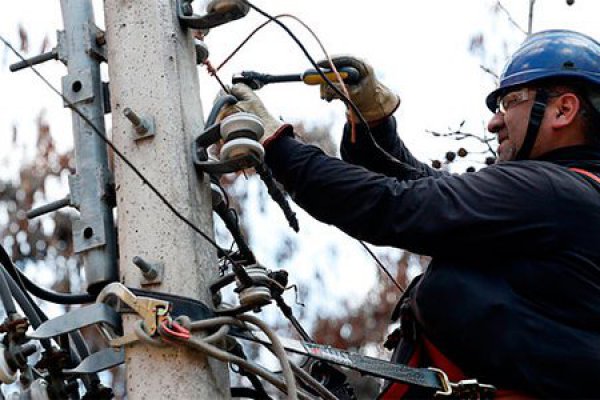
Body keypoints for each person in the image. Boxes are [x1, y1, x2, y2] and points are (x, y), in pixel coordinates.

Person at [219, 29, 600, 398]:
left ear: (563, 110)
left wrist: (277, 146)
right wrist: (374, 127)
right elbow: (429, 195)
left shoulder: (552, 192)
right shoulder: (571, 197)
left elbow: (398, 205)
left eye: (510, 101)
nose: (494, 121)